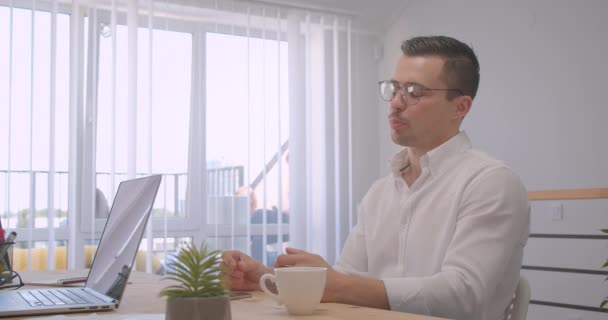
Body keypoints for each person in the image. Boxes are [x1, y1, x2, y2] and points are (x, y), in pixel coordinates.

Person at [222, 35, 529, 320]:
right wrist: (268, 281)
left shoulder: (491, 183)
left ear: (460, 107)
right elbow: (344, 281)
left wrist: (338, 284)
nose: (396, 102)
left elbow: (463, 294)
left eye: (414, 92)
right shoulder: (380, 192)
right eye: (394, 89)